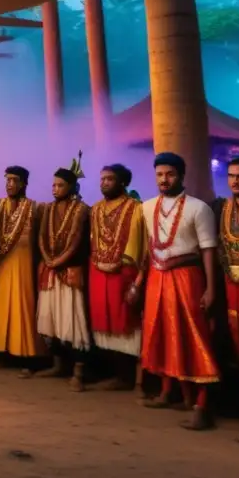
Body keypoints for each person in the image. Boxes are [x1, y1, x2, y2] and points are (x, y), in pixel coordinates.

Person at [141, 152, 219, 430]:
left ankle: (201, 403)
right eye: (160, 174)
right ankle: (167, 392)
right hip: (156, 277)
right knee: (161, 332)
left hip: (188, 277)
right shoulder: (147, 207)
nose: (164, 179)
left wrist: (210, 288)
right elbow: (147, 248)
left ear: (182, 176)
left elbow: (209, 251)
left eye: (170, 174)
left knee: (193, 335)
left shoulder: (199, 208)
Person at [89, 164, 147, 390]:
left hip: (125, 273)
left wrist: (139, 281)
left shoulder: (137, 208)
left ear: (123, 182)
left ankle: (136, 379)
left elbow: (144, 248)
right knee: (105, 322)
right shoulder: (95, 209)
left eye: (110, 179)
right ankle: (117, 375)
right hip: (98, 271)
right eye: (102, 179)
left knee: (128, 323)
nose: (104, 183)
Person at [36, 157, 92, 391]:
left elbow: (78, 240)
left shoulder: (82, 210)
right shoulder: (48, 208)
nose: (55, 189)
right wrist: (48, 259)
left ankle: (79, 372)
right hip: (50, 270)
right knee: (51, 321)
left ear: (72, 187)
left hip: (70, 271)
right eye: (53, 185)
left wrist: (58, 261)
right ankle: (58, 365)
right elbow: (41, 237)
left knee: (73, 321)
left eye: (60, 185)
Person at [0, 166, 44, 372]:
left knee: (23, 307)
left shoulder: (34, 208)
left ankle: (27, 357)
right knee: (1, 308)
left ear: (24, 184)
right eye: (8, 180)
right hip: (2, 264)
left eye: (14, 180)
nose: (10, 184)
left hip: (24, 265)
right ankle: (2, 353)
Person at [217, 156, 239, 376]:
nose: (235, 181)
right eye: (231, 176)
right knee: (236, 334)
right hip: (231, 283)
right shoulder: (224, 207)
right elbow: (221, 245)